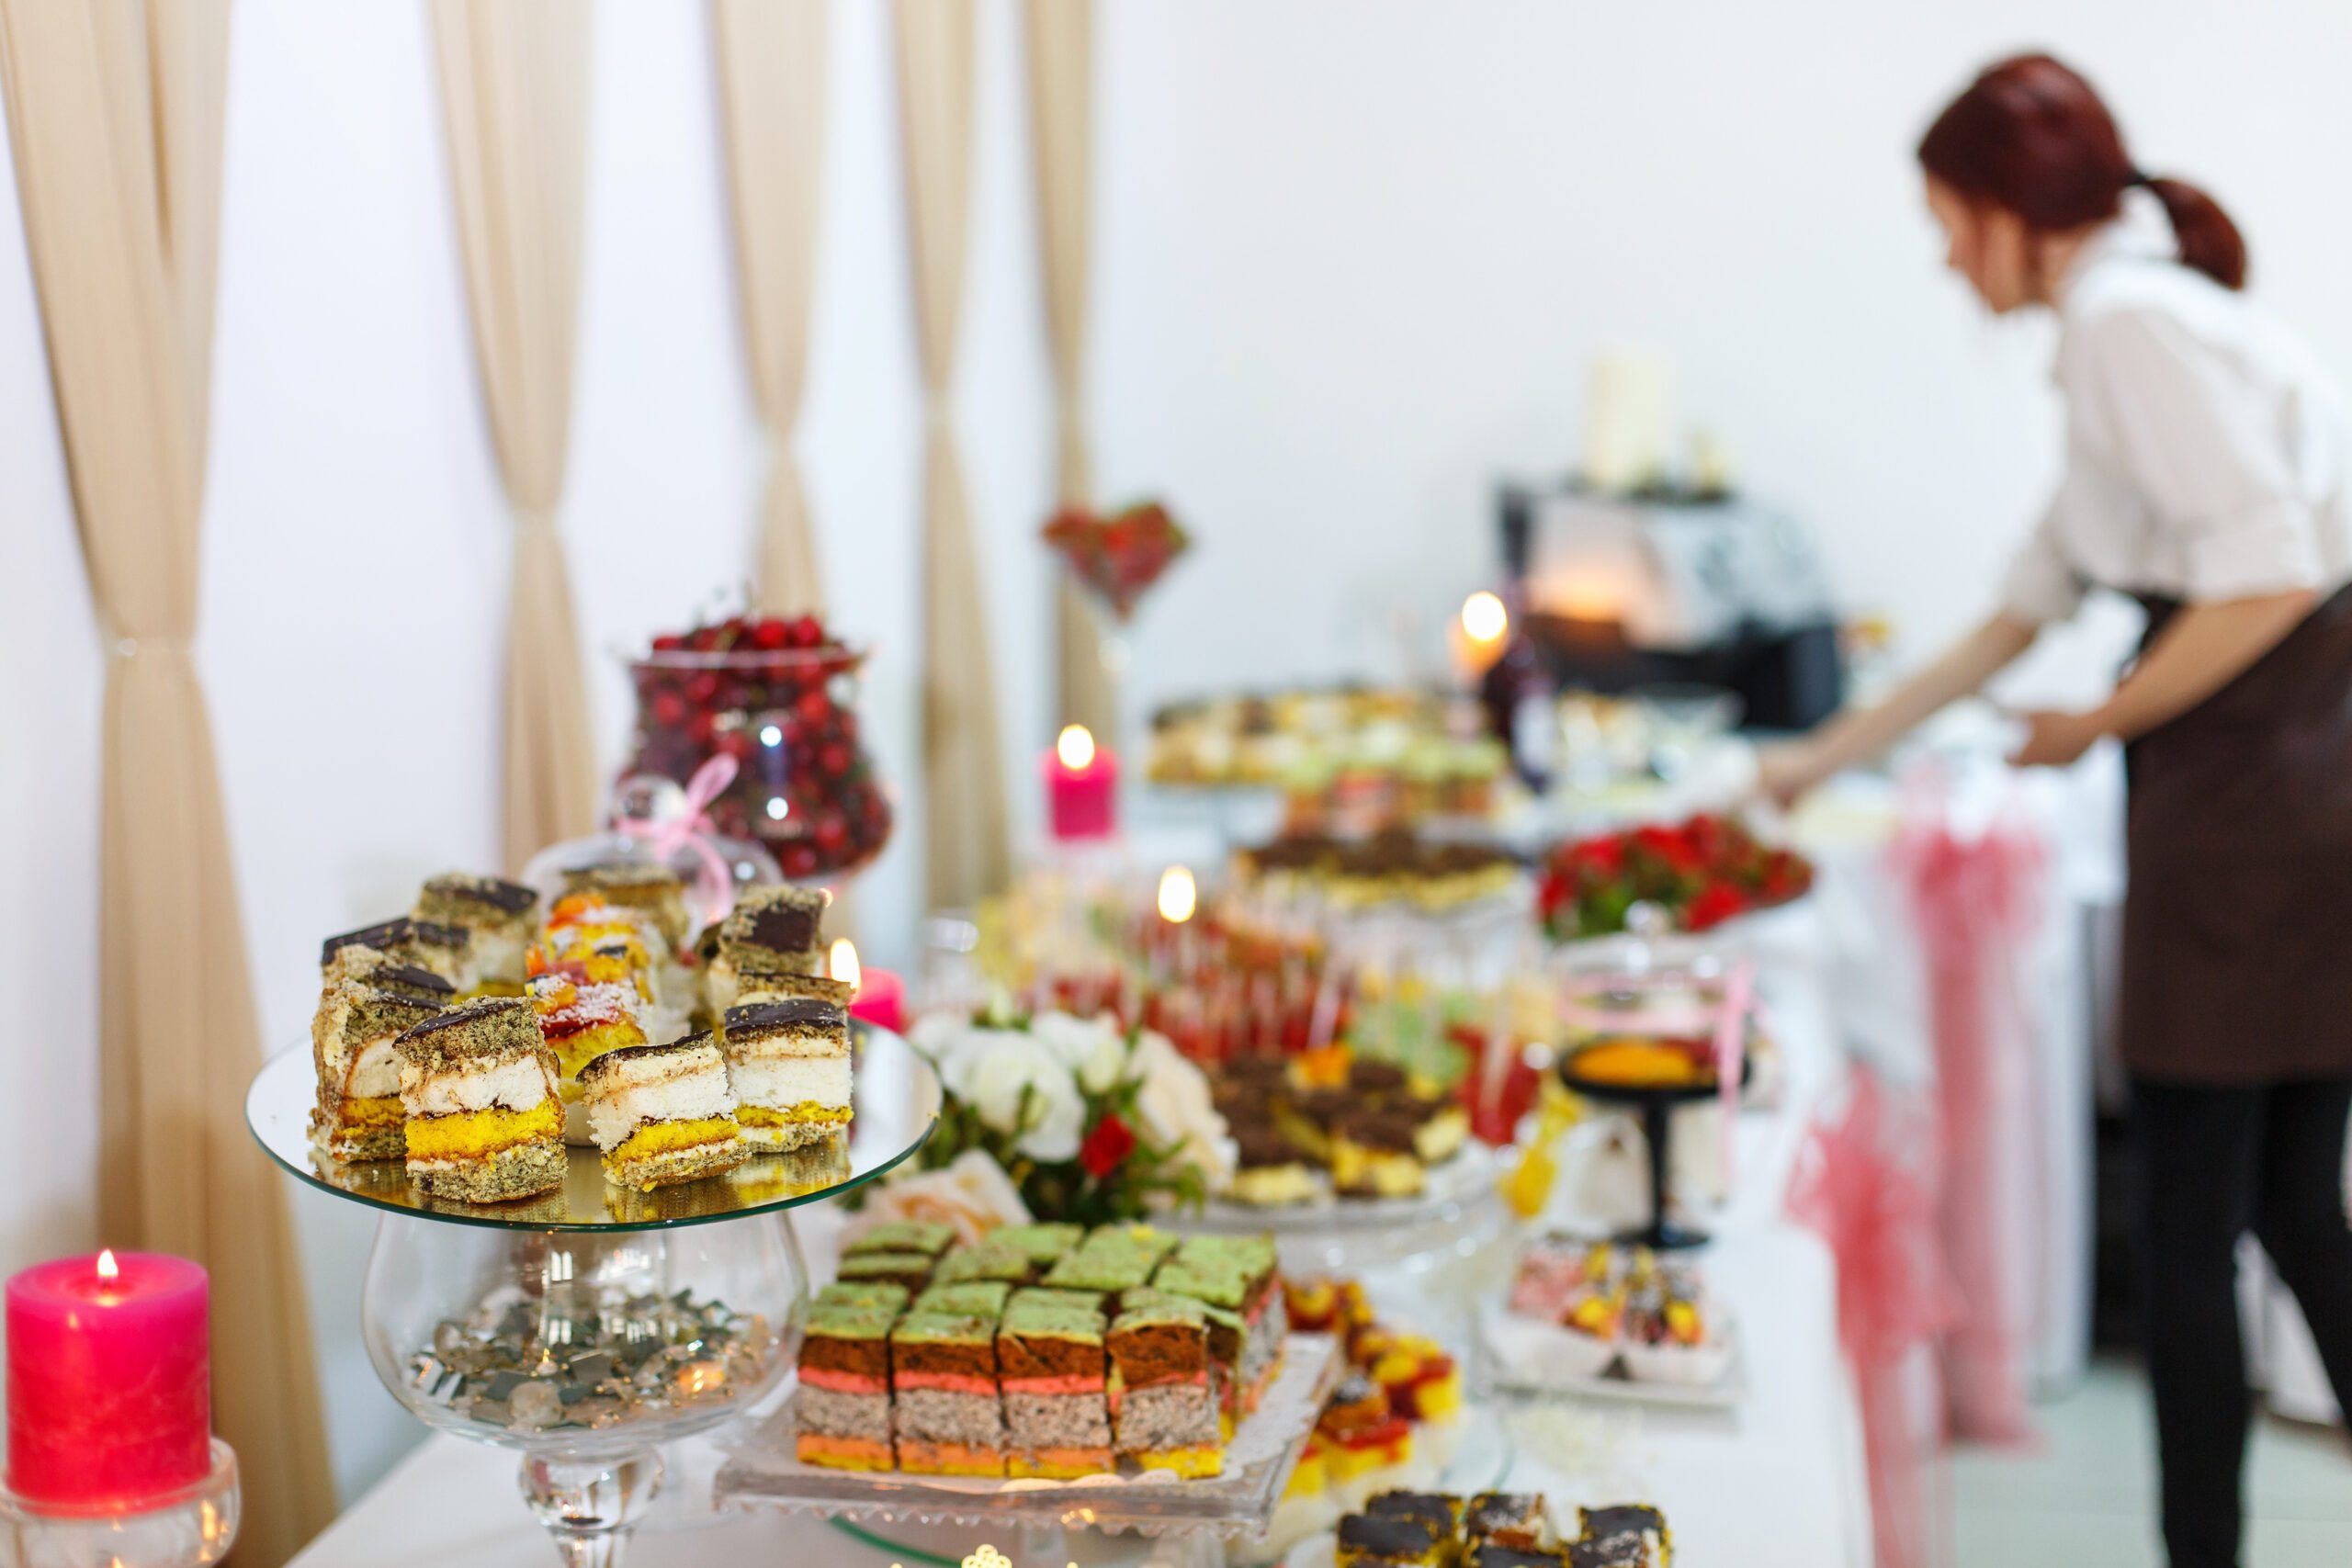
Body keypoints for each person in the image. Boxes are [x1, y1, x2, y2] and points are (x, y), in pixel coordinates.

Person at [1758, 52, 2352, 1568]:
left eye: (1949, 218)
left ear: (2015, 211)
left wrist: (2094, 724)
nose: (1946, 254)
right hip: (2288, 798)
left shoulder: (2122, 323)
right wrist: (1822, 758)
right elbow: (2023, 604)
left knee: (2194, 1227)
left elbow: (2271, 575)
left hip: (2247, 812)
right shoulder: (2131, 320)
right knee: (2287, 1204)